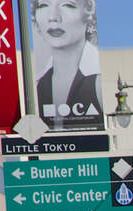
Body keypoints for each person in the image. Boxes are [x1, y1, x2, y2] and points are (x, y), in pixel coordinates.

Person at [33, 0, 103, 131]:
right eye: (43, 5)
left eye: (67, 5)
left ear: (88, 13)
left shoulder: (99, 82)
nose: (53, 17)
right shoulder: (36, 85)